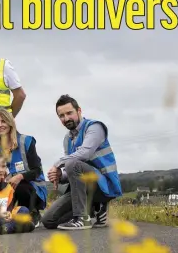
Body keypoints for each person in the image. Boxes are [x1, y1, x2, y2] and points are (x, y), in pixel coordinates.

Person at [42, 94, 123, 230]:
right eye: (61, 116)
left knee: (71, 162)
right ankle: (94, 208)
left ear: (79, 111)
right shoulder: (67, 139)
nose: (66, 118)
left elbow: (85, 153)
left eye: (69, 113)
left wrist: (57, 164)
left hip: (103, 186)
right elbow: (72, 171)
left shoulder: (94, 127)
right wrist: (59, 176)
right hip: (82, 190)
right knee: (49, 220)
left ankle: (82, 217)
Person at [0, 109, 49, 223]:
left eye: (3, 121)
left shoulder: (26, 141)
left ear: (10, 123)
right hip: (10, 187)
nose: (0, 125)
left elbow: (36, 170)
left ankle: (33, 213)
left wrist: (19, 177)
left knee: (20, 186)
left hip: (32, 188)